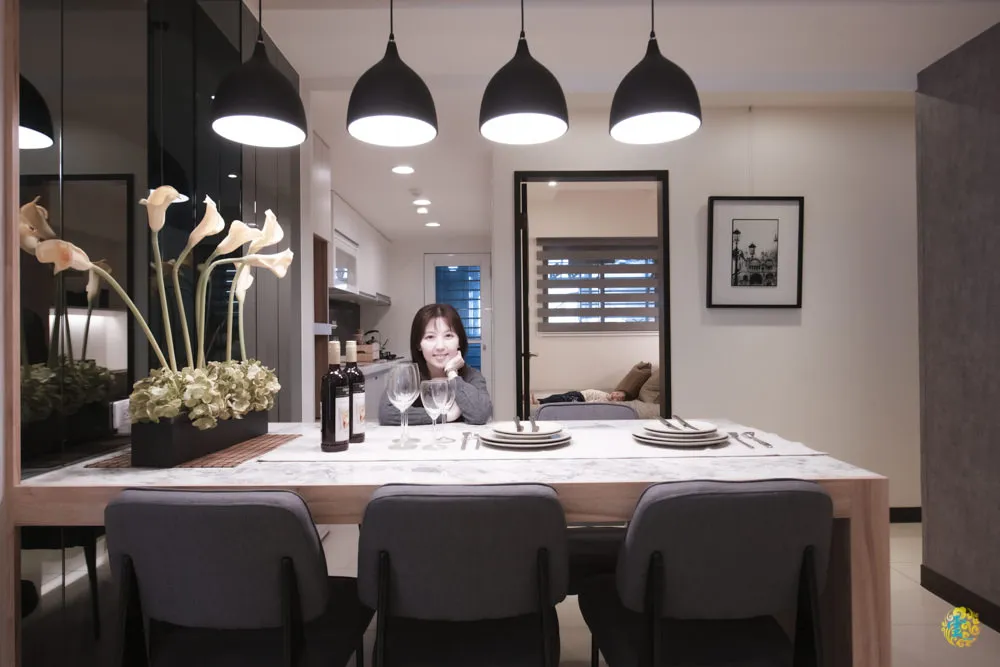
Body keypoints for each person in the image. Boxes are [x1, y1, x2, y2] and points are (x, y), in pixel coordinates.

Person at [378, 303, 492, 425]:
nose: (440, 346)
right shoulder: (408, 375)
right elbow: (387, 413)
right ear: (418, 344)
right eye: (430, 337)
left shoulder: (471, 376)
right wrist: (445, 416)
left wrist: (452, 373)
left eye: (448, 335)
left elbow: (480, 414)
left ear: (459, 341)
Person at [532, 389, 627, 405]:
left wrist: (582, 405)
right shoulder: (605, 394)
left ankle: (539, 402)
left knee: (559, 399)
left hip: (580, 399)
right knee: (557, 396)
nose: (616, 396)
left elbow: (592, 403)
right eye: (617, 394)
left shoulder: (606, 401)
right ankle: (540, 400)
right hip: (578, 393)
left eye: (619, 398)